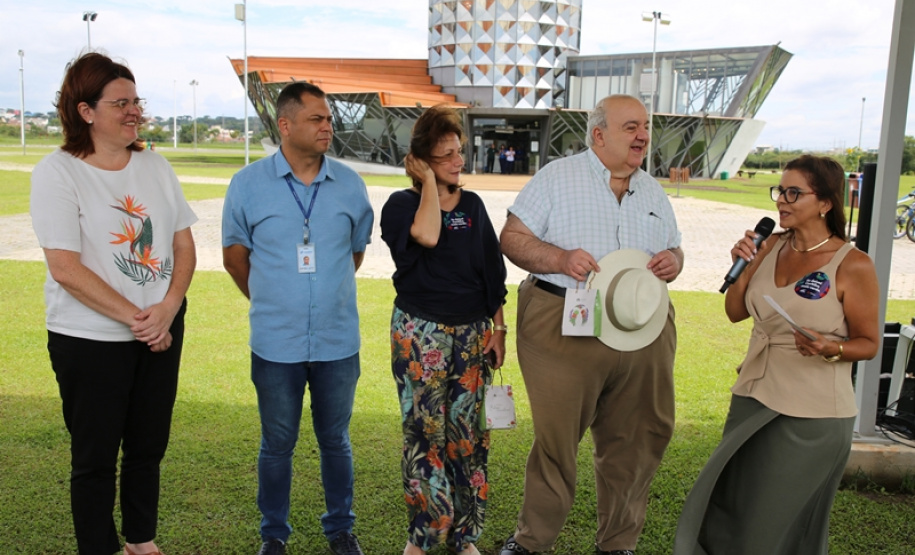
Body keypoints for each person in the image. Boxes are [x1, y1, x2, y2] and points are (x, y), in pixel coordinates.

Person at [498, 94, 684, 555]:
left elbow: (677, 249)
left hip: (643, 327)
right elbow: (512, 238)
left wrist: (672, 262)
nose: (643, 135)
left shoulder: (654, 190)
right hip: (564, 321)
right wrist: (560, 258)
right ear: (598, 134)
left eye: (645, 126)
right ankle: (531, 543)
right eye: (631, 127)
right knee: (557, 440)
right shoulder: (558, 178)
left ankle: (618, 544)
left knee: (638, 438)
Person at [29, 52, 197, 555]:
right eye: (120, 103)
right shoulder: (57, 173)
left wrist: (167, 308)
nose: (134, 111)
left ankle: (141, 542)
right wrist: (141, 320)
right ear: (85, 112)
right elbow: (65, 267)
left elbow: (184, 245)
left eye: (136, 101)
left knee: (148, 447)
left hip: (162, 325)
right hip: (90, 338)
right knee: (96, 458)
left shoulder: (156, 165)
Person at [673, 155, 880, 555]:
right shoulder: (769, 245)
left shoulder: (853, 265)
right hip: (753, 395)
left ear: (824, 204)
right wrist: (744, 266)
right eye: (779, 191)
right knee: (728, 508)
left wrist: (830, 347)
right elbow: (735, 312)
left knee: (770, 525)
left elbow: (869, 344)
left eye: (793, 192)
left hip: (812, 414)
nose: (781, 201)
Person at [222, 82, 374, 555]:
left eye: (329, 118)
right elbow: (234, 257)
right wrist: (274, 298)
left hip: (336, 342)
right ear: (285, 126)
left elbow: (354, 253)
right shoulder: (247, 184)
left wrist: (320, 296)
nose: (328, 126)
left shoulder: (350, 183)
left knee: (336, 441)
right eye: (316, 118)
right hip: (275, 343)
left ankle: (340, 530)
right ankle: (274, 536)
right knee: (277, 444)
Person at [381, 105, 508, 555]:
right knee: (424, 434)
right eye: (446, 156)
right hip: (421, 335)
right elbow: (429, 235)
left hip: (472, 335)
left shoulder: (473, 206)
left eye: (460, 152)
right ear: (421, 162)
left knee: (468, 436)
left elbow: (492, 271)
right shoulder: (401, 205)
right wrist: (429, 185)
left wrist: (499, 327)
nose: (459, 161)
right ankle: (424, 536)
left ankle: (464, 538)